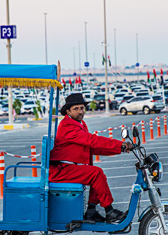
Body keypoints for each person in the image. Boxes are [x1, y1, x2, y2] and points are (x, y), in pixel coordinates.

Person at [50, 93, 133, 222]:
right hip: (60, 170)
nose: (80, 112)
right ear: (68, 111)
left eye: (82, 108)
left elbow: (92, 148)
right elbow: (92, 141)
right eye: (76, 109)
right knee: (96, 173)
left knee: (97, 174)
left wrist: (120, 148)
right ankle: (109, 211)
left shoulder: (79, 123)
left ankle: (91, 210)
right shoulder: (68, 125)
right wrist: (120, 144)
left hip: (68, 167)